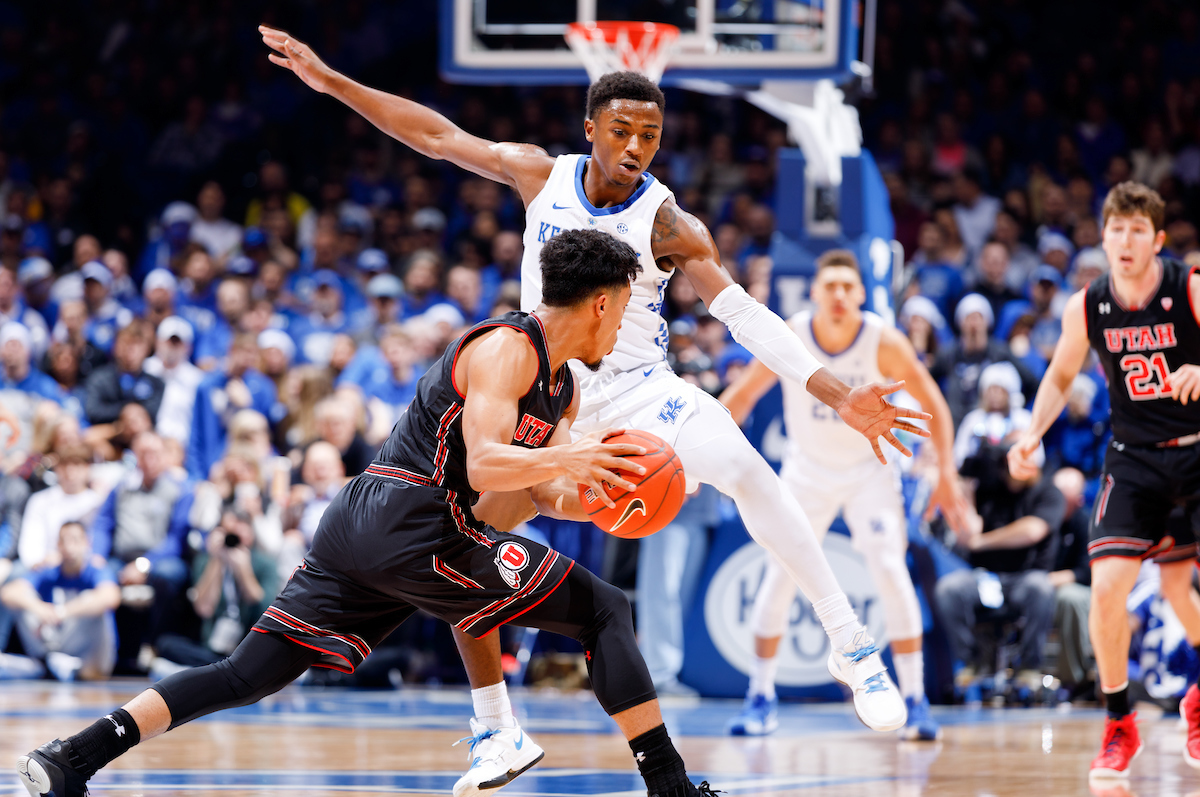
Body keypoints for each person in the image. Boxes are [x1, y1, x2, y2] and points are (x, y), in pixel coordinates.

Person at [261, 30, 928, 774]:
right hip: (547, 395)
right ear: (590, 129)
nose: (637, 145)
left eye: (650, 133)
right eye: (622, 130)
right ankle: (495, 726)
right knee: (461, 529)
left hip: (641, 390)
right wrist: (335, 83)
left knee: (745, 466)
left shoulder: (669, 222)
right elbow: (437, 136)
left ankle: (849, 640)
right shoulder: (537, 174)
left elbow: (742, 313)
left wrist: (837, 392)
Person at [18, 229, 719, 797]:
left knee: (246, 673)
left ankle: (73, 756)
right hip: (413, 518)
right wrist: (572, 462)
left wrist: (601, 497)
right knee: (602, 606)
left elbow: (539, 491)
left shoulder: (562, 388)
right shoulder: (508, 349)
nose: (625, 323)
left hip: (369, 523)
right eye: (626, 308)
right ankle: (666, 785)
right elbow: (484, 465)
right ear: (602, 301)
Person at [719, 249, 968, 741]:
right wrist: (698, 454)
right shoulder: (791, 332)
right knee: (779, 577)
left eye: (846, 287)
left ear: (861, 294)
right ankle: (760, 696)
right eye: (828, 285)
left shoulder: (882, 338)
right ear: (814, 292)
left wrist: (946, 474)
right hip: (806, 471)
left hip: (868, 472)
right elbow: (743, 397)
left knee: (892, 573)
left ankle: (915, 700)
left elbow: (934, 401)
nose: (837, 294)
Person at [1008, 182, 1200, 779]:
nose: (1125, 240)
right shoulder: (1087, 304)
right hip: (1134, 460)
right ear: (1103, 235)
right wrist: (1032, 433)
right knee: (1109, 585)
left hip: (1196, 454)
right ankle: (1120, 722)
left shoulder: (1189, 287)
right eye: (1116, 229)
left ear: (1158, 240)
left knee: (1177, 591)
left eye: (1138, 229)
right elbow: (1060, 376)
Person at [0, 521, 120, 682]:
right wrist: (39, 608)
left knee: (93, 600)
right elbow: (8, 592)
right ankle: (47, 662)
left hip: (88, 654)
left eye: (75, 541)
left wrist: (63, 612)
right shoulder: (49, 571)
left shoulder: (97, 570)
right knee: (22, 598)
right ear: (58, 545)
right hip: (53, 641)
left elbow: (111, 597)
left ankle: (74, 668)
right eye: (64, 541)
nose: (69, 547)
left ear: (87, 543)